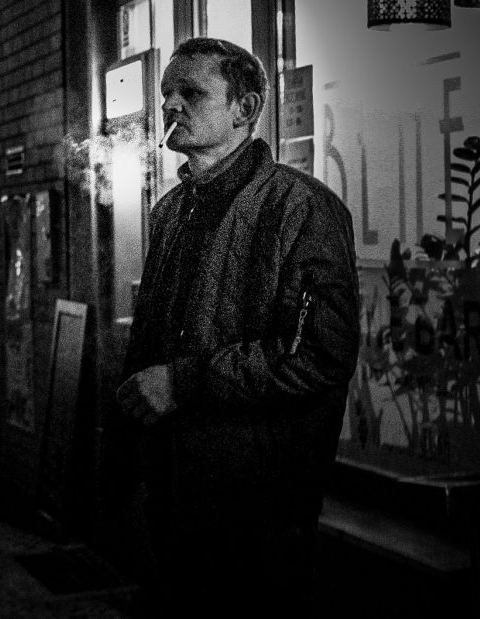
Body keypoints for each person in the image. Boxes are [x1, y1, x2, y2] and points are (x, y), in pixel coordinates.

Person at [114, 37, 360, 615]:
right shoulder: (171, 211)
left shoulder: (302, 209)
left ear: (244, 109)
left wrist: (182, 383)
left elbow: (319, 358)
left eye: (191, 92)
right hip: (175, 492)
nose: (170, 105)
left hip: (260, 504)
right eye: (166, 93)